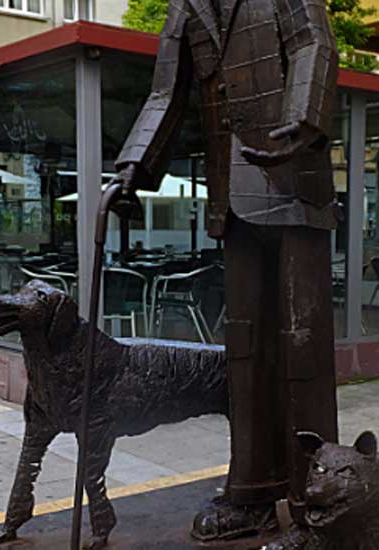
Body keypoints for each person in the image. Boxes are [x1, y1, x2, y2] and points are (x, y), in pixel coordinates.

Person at [114, 0, 340, 544]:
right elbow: (165, 92)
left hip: (293, 185)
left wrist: (305, 114)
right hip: (233, 200)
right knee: (245, 350)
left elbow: (315, 43)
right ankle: (253, 490)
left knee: (301, 346)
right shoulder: (186, 7)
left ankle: (320, 497)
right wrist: (132, 167)